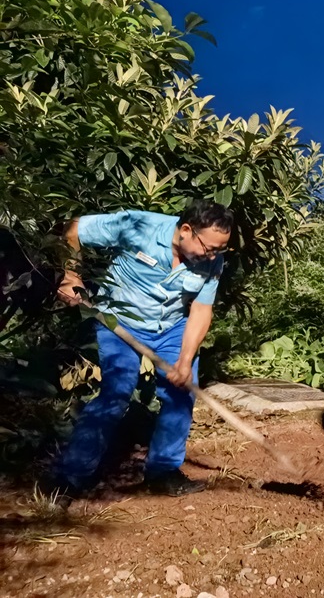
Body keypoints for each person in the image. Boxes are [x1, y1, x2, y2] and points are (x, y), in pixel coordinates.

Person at [50, 200, 233, 498]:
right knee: (116, 393)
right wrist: (71, 275)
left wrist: (185, 360)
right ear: (186, 230)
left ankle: (162, 472)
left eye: (220, 250)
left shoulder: (212, 261)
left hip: (171, 327)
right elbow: (73, 229)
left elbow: (201, 309)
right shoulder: (138, 226)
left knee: (182, 392)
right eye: (209, 247)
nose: (213, 256)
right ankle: (72, 477)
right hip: (119, 321)